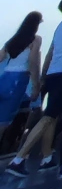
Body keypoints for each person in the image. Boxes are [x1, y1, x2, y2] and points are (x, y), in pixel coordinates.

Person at [7, 0, 62, 180]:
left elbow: (51, 52)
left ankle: (47, 157)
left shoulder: (61, 26)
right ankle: (18, 159)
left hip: (53, 74)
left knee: (51, 116)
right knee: (49, 117)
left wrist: (43, 76)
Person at [0, 12, 43, 141]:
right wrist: (36, 85)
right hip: (18, 80)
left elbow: (1, 57)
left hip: (4, 78)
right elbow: (32, 62)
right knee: (4, 121)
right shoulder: (36, 39)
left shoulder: (12, 40)